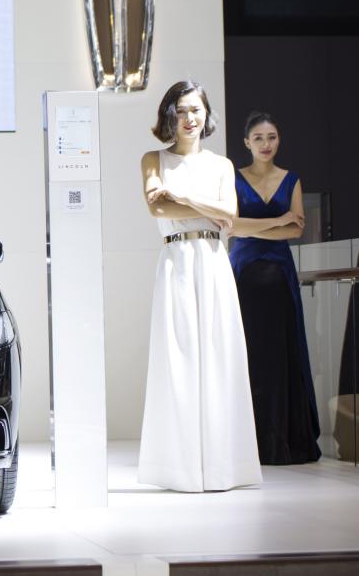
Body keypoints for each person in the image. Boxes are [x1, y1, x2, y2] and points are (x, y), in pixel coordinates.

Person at [138, 80, 262, 492]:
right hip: (176, 261)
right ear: (168, 116)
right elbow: (157, 207)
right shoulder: (153, 159)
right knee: (179, 359)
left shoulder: (222, 165)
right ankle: (180, 468)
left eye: (195, 110)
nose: (189, 118)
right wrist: (204, 206)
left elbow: (230, 214)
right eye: (180, 111)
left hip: (212, 262)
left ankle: (224, 467)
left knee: (219, 357)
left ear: (206, 114)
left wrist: (183, 196)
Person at [228, 112, 321, 464]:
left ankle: (281, 438)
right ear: (246, 143)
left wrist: (260, 226)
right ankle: (247, 442)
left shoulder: (291, 179)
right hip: (244, 276)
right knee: (248, 352)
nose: (266, 144)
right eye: (259, 138)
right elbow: (231, 226)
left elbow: (296, 230)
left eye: (272, 137)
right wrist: (277, 221)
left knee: (282, 354)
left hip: (280, 276)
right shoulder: (234, 178)